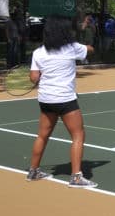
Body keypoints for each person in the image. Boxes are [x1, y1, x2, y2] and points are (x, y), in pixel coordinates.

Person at [25, 15, 97, 188]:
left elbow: (34, 78)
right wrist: (88, 39)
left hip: (46, 100)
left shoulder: (38, 52)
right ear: (65, 32)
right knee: (78, 135)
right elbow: (90, 50)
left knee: (42, 135)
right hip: (65, 99)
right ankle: (76, 177)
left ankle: (33, 171)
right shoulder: (72, 48)